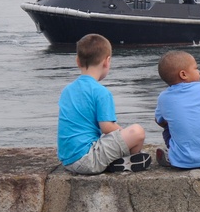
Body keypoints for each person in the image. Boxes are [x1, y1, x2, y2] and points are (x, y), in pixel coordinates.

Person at [57, 34, 149, 174]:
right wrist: (124, 134)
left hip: (67, 160)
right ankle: (128, 160)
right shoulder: (101, 92)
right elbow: (107, 127)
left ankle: (117, 162)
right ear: (107, 62)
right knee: (137, 132)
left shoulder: (67, 90)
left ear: (77, 61)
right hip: (87, 160)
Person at [154, 50, 200, 169]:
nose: (199, 72)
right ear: (183, 74)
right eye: (196, 68)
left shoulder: (163, 97)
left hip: (182, 164)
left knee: (167, 130)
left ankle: (171, 155)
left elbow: (159, 121)